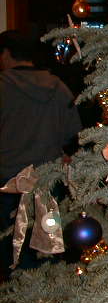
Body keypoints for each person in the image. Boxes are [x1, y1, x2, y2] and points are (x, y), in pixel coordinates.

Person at [0, 30, 82, 277]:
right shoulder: (58, 87)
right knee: (46, 256)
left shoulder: (3, 87)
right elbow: (74, 134)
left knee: (8, 258)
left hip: (6, 184)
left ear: (6, 54)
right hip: (48, 184)